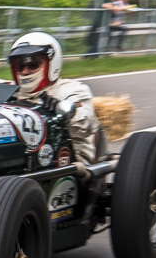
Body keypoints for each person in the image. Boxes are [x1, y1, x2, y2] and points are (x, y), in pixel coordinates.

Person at [7, 31, 101, 165]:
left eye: (32, 65)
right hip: (23, 158)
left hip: (71, 162)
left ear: (51, 64)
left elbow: (86, 126)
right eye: (20, 66)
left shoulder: (72, 90)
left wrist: (62, 110)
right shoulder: (13, 92)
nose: (25, 71)